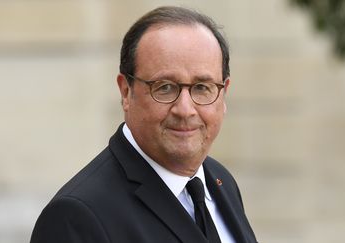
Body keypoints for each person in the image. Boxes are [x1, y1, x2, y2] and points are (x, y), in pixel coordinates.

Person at [30, 6, 257, 243]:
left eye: (202, 88)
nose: (185, 109)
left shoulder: (220, 181)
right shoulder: (76, 217)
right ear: (126, 92)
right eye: (165, 87)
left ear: (224, 94)